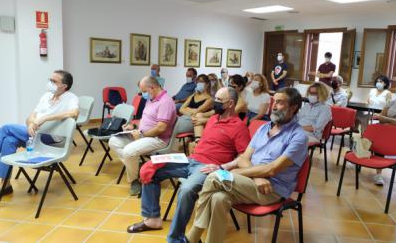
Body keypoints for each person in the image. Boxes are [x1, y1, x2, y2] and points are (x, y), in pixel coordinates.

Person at [125, 87, 250, 243]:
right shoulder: (213, 119)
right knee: (150, 168)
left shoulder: (239, 127)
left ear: (230, 103)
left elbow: (244, 157)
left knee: (186, 189)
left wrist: (223, 167)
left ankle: (176, 238)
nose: (215, 102)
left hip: (207, 167)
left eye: (219, 100)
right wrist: (196, 143)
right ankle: (152, 219)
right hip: (190, 159)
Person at [186, 87, 308, 243]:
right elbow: (244, 157)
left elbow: (272, 169)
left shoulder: (298, 137)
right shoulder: (264, 128)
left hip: (272, 189)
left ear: (293, 107)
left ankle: (192, 237)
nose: (274, 106)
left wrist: (235, 172)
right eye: (273, 102)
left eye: (280, 103)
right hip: (252, 183)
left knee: (214, 177)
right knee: (218, 198)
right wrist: (256, 177)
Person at [0, 70, 79, 201]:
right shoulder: (46, 96)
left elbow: (74, 113)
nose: (50, 83)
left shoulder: (71, 98)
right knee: (8, 141)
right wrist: (30, 124)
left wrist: (46, 118)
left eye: (54, 81)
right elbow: (31, 116)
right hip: (35, 135)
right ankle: (5, 185)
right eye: (50, 80)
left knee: (6, 128)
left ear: (64, 86)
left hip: (50, 140)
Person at [109, 76, 176, 196]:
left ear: (152, 87)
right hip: (143, 135)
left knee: (129, 151)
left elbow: (161, 128)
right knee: (113, 141)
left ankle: (134, 180)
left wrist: (142, 134)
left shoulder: (166, 101)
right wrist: (134, 127)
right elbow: (145, 120)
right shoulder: (151, 99)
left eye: (144, 91)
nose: (142, 94)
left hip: (157, 139)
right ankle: (137, 167)